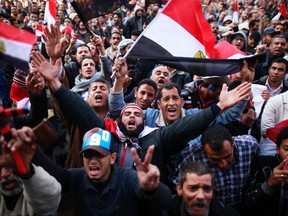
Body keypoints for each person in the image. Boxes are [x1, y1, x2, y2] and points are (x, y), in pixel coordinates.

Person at [31, 52, 251, 188]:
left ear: (145, 120)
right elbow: (81, 111)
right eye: (127, 113)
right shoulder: (107, 135)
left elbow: (189, 125)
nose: (132, 115)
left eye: (137, 114)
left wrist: (219, 106)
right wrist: (56, 84)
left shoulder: (157, 138)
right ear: (118, 119)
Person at [18, 127, 173, 216]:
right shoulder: (77, 177)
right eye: (87, 154)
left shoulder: (128, 177)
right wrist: (33, 152)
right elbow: (57, 174)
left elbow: (167, 203)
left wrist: (152, 189)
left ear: (113, 158)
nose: (92, 160)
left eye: (99, 154)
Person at [178, 125, 259, 209]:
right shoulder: (191, 157)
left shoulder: (250, 147)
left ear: (233, 143)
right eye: (215, 159)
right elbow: (177, 183)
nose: (223, 164)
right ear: (203, 149)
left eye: (227, 156)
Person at [0, 128, 61, 215]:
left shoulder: (36, 188)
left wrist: (27, 173)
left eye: (9, 165)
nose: (4, 174)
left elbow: (49, 200)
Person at [241, 127, 288, 216]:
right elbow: (247, 204)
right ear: (277, 149)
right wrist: (269, 184)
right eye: (286, 149)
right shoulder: (263, 165)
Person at [170, 161, 240, 216]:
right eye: (193, 188)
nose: (200, 196)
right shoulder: (165, 210)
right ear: (179, 189)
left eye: (207, 189)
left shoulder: (227, 213)